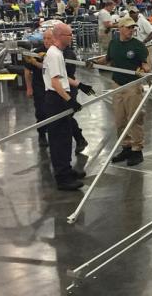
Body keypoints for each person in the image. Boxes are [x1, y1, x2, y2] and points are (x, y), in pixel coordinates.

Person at [90, 16, 150, 166]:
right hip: (117, 85)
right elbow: (108, 59)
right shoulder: (114, 43)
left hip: (133, 86)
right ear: (120, 29)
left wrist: (145, 71)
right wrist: (94, 62)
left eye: (133, 28)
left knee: (134, 118)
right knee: (119, 119)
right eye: (128, 27)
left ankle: (137, 149)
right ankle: (126, 146)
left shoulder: (138, 46)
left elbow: (146, 65)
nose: (131, 30)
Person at [42, 23, 94, 191]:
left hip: (59, 97)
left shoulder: (58, 53)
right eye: (69, 35)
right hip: (56, 99)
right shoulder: (54, 54)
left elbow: (63, 77)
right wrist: (69, 99)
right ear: (60, 36)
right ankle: (62, 178)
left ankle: (67, 169)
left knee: (65, 138)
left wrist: (80, 85)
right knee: (58, 139)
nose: (72, 38)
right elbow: (55, 82)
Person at [128, 6, 152, 71]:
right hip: (135, 48)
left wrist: (144, 42)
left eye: (133, 13)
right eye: (130, 13)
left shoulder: (143, 21)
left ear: (137, 13)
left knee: (148, 66)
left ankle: (151, 79)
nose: (132, 14)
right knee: (138, 67)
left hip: (145, 47)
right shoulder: (130, 23)